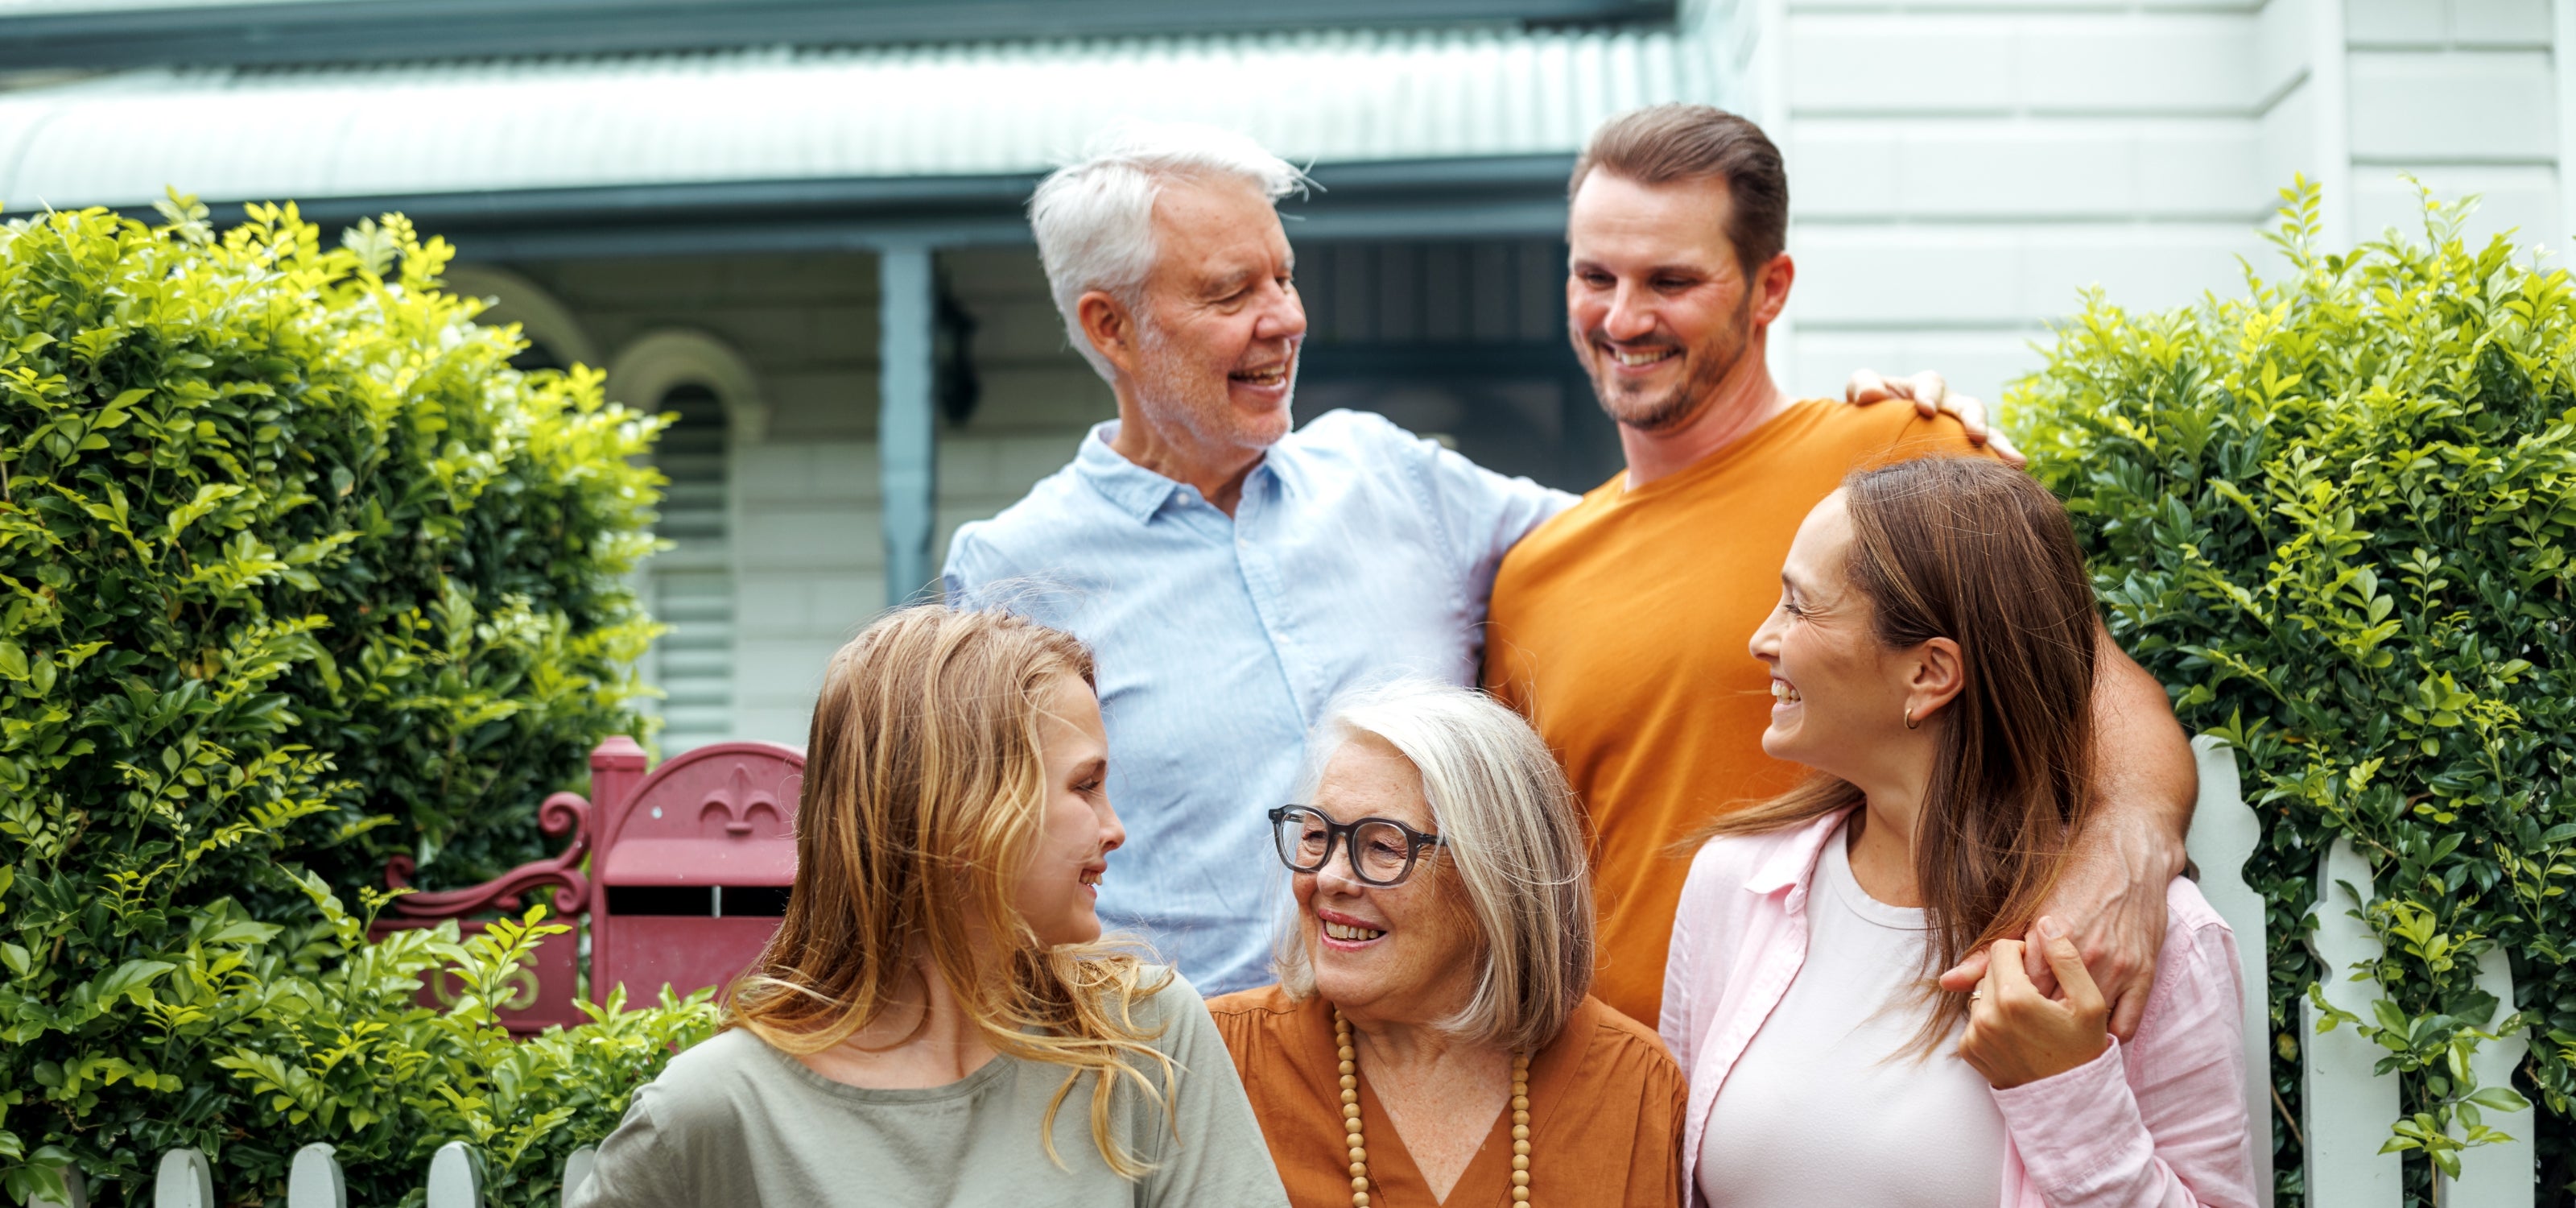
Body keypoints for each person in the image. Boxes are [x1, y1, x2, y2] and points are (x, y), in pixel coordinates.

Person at [943, 120, 2000, 997]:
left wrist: (1900, 445)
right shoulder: (1009, 577)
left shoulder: (1396, 480)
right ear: (1111, 327)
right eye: (1233, 295)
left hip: (1448, 1087)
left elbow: (1662, 530)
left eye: (1286, 275)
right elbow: (982, 885)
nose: (1288, 319)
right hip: (1185, 1097)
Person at [1484, 103, 2200, 1031]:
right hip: (1622, 1107)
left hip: (1870, 1079)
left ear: (1767, 286)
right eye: (1594, 276)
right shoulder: (1532, 573)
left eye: (1670, 280)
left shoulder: (1898, 455)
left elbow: (2088, 685)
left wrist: (2133, 840)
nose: (1622, 317)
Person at [1662, 456, 2256, 1208]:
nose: (1761, 638)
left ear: (1930, 674)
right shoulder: (1732, 888)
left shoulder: (2147, 945)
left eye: (1799, 607)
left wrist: (2069, 1096)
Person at [570, 608, 1290, 1207]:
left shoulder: (1147, 1037)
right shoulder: (715, 1110)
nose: (1115, 827)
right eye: (1085, 786)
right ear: (965, 813)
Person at [1210, 681, 1685, 1208]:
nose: (1330, 878)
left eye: (1383, 846)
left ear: (1496, 879)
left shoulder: (1634, 1086)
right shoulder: (1215, 1060)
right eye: (1317, 835)